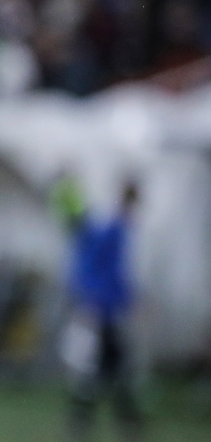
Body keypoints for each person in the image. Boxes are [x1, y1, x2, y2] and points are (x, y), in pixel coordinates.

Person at [63, 183, 143, 441]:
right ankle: (122, 419)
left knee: (107, 366)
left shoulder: (116, 229)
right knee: (107, 365)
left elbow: (114, 273)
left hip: (106, 309)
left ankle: (92, 419)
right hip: (101, 310)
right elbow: (97, 268)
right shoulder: (111, 230)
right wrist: (94, 299)